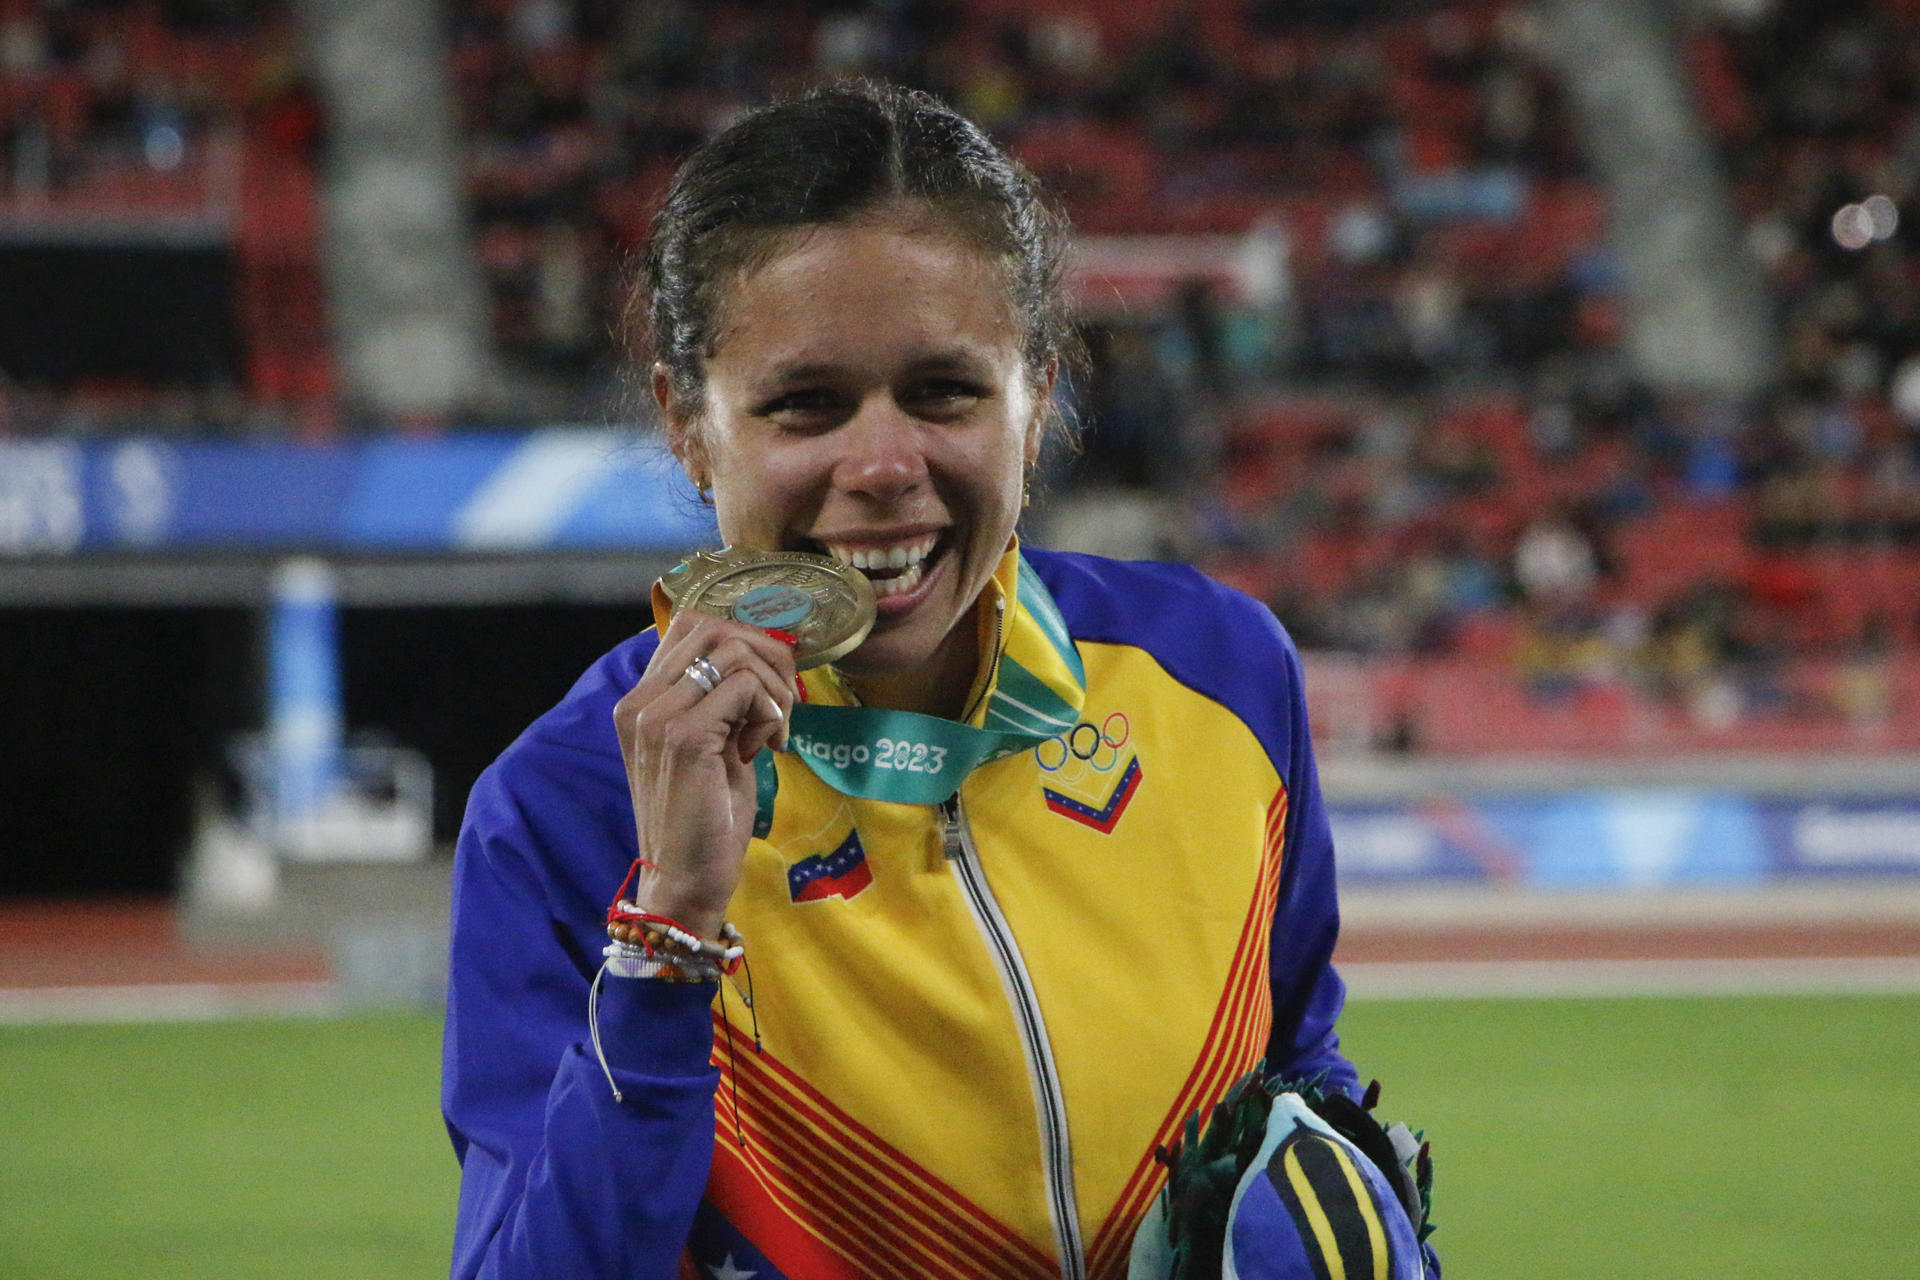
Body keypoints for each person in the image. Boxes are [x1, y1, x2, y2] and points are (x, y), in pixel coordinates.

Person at [443, 81, 1429, 1280]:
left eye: (943, 391)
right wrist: (667, 934)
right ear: (689, 427)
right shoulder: (565, 806)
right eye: (806, 404)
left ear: (1037, 398)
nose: (881, 464)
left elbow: (1289, 1078)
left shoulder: (1219, 675)